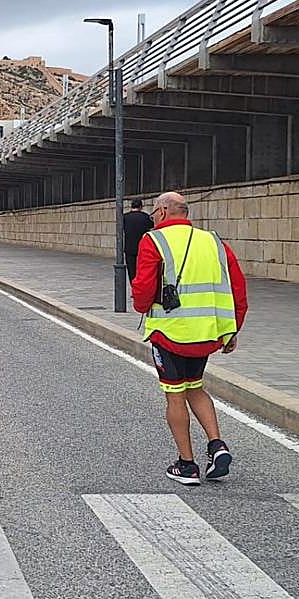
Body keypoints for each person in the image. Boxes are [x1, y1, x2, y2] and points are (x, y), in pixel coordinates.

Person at [132, 191, 248, 486]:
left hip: (170, 333)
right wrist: (232, 329)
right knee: (195, 387)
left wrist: (140, 304)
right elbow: (237, 287)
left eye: (155, 212)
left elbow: (143, 291)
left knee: (175, 394)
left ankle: (187, 465)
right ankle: (216, 445)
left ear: (162, 211)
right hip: (206, 334)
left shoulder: (154, 240)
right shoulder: (214, 241)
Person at [123, 198, 153, 280]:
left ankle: (134, 287)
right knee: (142, 271)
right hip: (143, 248)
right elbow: (151, 227)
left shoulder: (125, 217)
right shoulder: (146, 216)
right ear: (141, 206)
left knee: (132, 271)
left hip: (129, 248)